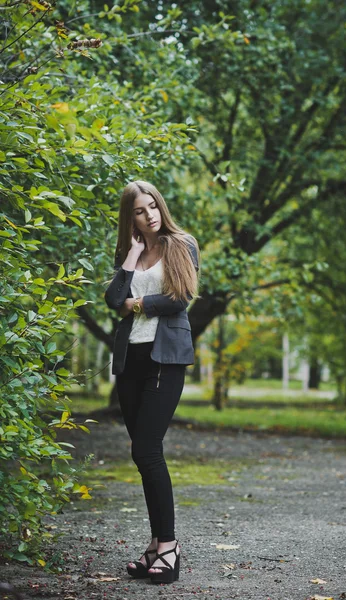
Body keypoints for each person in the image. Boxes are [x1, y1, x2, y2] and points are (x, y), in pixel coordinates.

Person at [104, 180, 199, 584]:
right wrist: (131, 257)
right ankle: (155, 544)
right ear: (131, 218)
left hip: (165, 358)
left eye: (153, 206)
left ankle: (170, 547)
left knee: (146, 449)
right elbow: (112, 301)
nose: (150, 215)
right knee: (143, 455)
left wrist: (139, 304)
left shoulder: (182, 244)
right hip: (131, 361)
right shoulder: (129, 252)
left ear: (161, 206)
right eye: (140, 211)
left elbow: (181, 296)